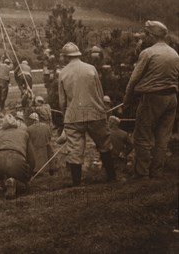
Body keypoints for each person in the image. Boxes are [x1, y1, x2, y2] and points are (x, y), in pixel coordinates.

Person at [123, 20, 179, 179]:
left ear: (152, 35)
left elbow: (133, 80)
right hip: (171, 99)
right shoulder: (174, 54)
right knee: (162, 138)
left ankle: (142, 174)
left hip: (152, 99)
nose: (144, 37)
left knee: (142, 136)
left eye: (146, 34)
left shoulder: (148, 53)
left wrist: (127, 101)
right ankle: (157, 173)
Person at [58, 42, 116, 186]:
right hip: (95, 113)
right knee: (104, 144)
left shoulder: (63, 73)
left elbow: (62, 101)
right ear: (78, 54)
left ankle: (76, 183)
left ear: (66, 57)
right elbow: (99, 92)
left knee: (75, 150)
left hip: (73, 116)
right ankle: (112, 177)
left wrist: (64, 115)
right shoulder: (91, 69)